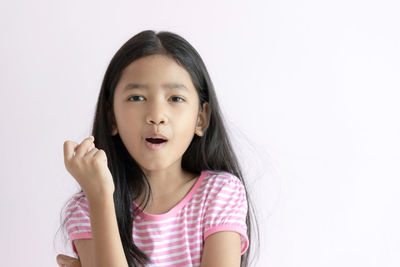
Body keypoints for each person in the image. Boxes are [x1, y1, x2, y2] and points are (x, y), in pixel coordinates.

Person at [56, 30, 259, 267]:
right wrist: (100, 197)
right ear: (111, 117)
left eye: (175, 98)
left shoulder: (220, 194)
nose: (156, 116)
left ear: (200, 119)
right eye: (137, 98)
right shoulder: (87, 208)